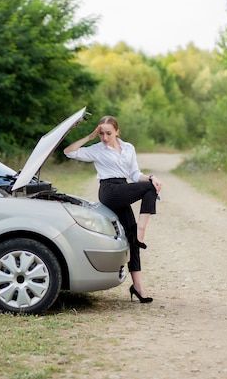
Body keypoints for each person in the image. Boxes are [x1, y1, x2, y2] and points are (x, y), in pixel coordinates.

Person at [64, 115, 162, 303]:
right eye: (101, 134)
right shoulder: (97, 149)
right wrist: (89, 137)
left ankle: (138, 287)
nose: (105, 137)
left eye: (109, 133)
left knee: (150, 186)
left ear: (117, 131)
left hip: (123, 187)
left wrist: (151, 176)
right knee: (149, 188)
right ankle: (142, 231)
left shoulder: (129, 148)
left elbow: (134, 174)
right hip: (109, 190)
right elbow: (68, 151)